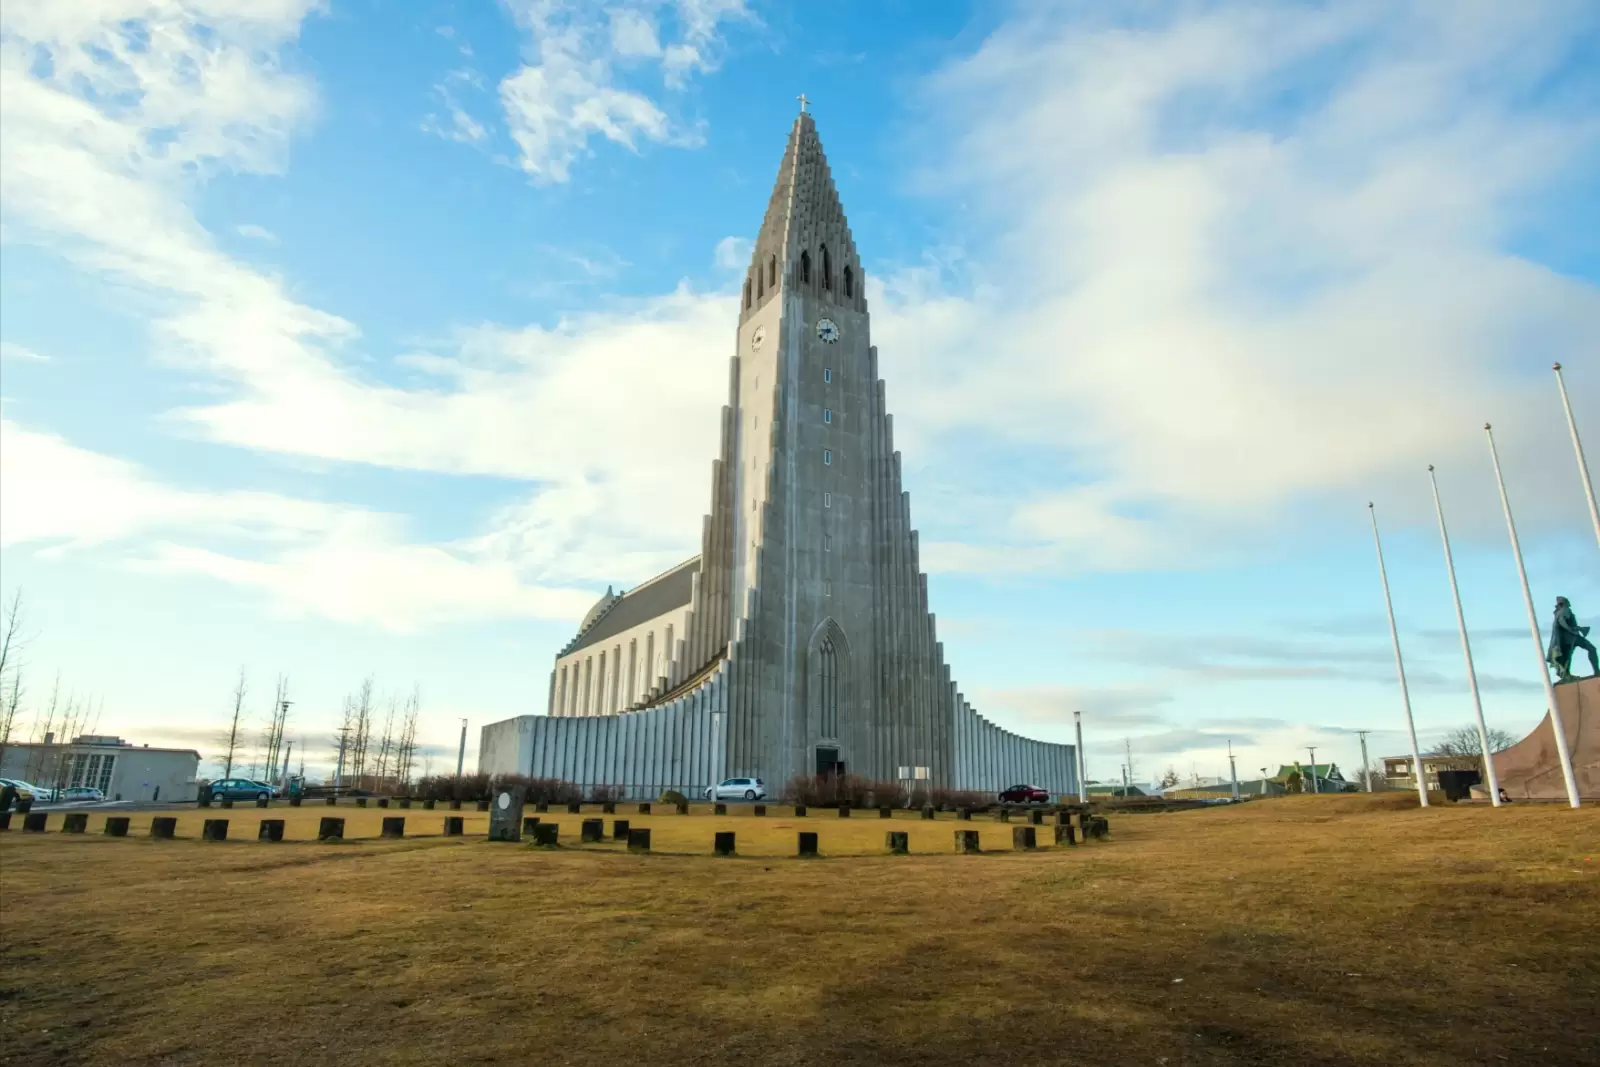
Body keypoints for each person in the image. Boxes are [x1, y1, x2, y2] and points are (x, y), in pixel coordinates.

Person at [1548, 596, 1598, 683]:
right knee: (1591, 649)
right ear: (1564, 603)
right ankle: (1596, 671)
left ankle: (1567, 675)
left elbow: (1562, 622)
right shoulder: (1565, 610)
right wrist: (1570, 629)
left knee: (1567, 658)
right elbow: (1562, 621)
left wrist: (1575, 629)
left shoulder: (1560, 612)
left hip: (1570, 638)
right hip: (1572, 637)